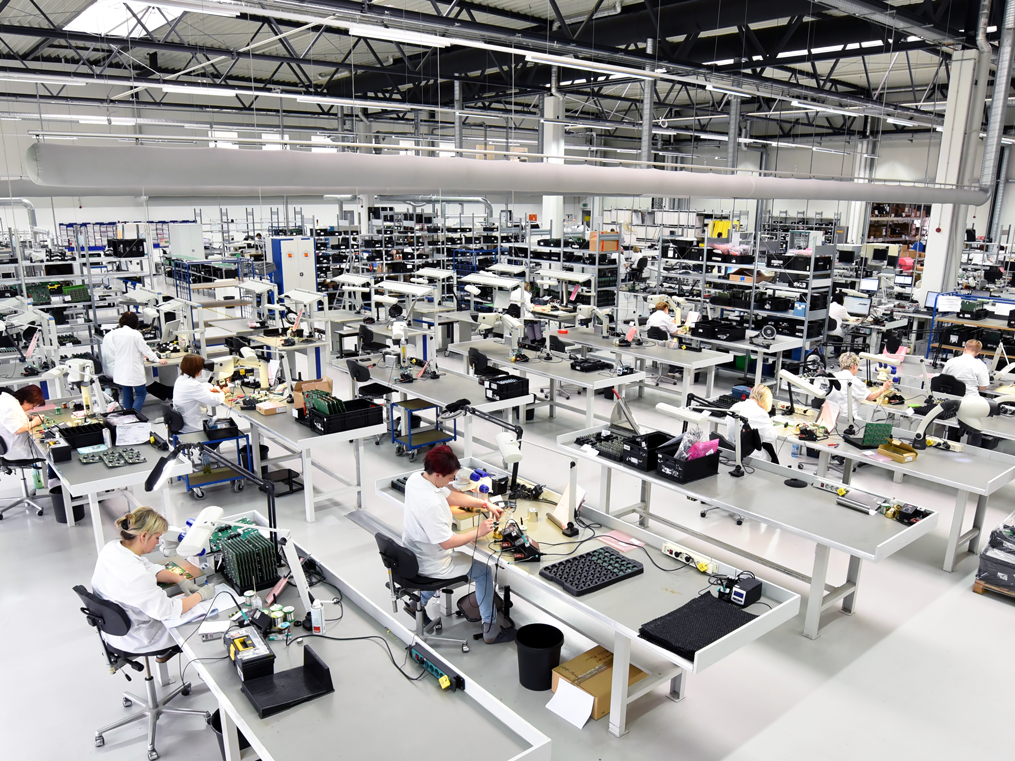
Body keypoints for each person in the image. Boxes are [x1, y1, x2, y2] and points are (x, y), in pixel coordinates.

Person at [401, 445, 515, 645]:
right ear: (437, 475)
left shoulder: (416, 479)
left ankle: (415, 602)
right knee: (485, 571)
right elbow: (447, 543)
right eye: (450, 477)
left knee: (463, 563)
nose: (452, 482)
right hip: (432, 562)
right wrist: (477, 532)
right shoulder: (432, 504)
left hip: (414, 553)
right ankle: (490, 629)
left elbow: (450, 495)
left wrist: (485, 504)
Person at [91, 506, 214, 654]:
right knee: (207, 622)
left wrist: (180, 579)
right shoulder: (135, 576)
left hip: (114, 627)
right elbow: (168, 610)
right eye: (157, 538)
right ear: (143, 536)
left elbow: (147, 566)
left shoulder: (112, 547)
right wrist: (201, 595)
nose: (157, 543)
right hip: (139, 638)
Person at [102, 311, 167, 413]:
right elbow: (146, 350)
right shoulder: (135, 334)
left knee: (127, 394)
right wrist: (158, 359)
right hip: (133, 370)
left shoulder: (115, 333)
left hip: (120, 370)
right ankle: (135, 416)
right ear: (135, 322)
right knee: (141, 394)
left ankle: (128, 418)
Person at [825, 352, 893, 419]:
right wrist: (884, 388)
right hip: (847, 418)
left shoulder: (833, 376)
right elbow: (870, 397)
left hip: (829, 417)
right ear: (854, 366)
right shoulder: (853, 380)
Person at [173, 354, 225, 434]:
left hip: (185, 424)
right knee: (225, 430)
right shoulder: (193, 385)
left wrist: (211, 387)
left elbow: (197, 388)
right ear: (197, 369)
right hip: (194, 428)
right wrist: (223, 392)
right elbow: (215, 401)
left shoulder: (180, 379)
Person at [726, 385, 779, 463]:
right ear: (766, 400)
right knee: (769, 452)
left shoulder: (736, 405)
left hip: (730, 447)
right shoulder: (761, 413)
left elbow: (727, 420)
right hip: (747, 454)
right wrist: (770, 424)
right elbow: (771, 437)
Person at [0, 385, 46, 460]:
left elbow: (17, 414)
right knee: (52, 453)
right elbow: (17, 430)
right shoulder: (10, 406)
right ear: (26, 401)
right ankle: (52, 472)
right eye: (33, 405)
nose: (32, 408)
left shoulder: (9, 400)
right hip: (16, 449)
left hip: (13, 444)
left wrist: (30, 417)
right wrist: (35, 422)